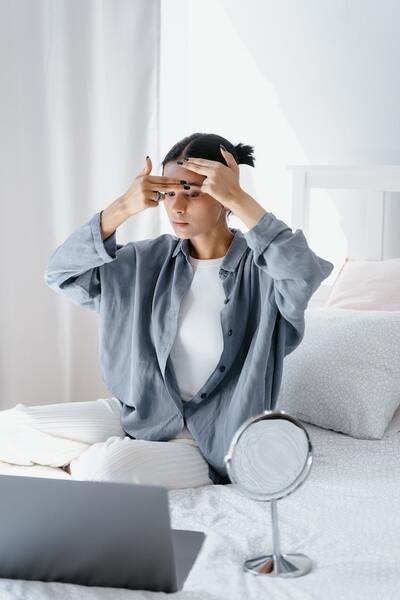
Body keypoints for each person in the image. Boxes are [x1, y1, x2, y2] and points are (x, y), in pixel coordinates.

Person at [0, 132, 334, 488]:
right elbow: (61, 273)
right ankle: (105, 456)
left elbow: (303, 272)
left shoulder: (263, 272)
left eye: (192, 192)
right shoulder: (147, 261)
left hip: (208, 439)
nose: (177, 206)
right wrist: (122, 207)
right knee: (10, 429)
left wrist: (240, 198)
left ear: (223, 196)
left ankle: (95, 461)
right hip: (142, 412)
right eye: (169, 193)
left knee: (107, 469)